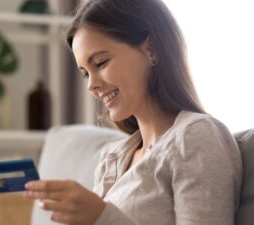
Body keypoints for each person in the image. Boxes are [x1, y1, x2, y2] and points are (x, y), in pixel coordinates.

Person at [23, 0, 243, 224]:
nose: (91, 85)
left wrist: (101, 216)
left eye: (101, 63)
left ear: (151, 49)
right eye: (85, 73)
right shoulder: (113, 158)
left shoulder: (195, 137)